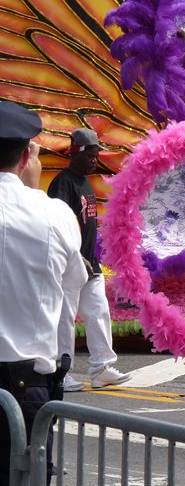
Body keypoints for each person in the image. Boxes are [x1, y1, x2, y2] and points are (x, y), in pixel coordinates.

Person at [0, 102, 87, 485]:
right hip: (25, 384)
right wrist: (32, 195)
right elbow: (71, 287)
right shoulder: (55, 214)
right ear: (26, 155)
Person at [48, 128, 130, 391]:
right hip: (70, 263)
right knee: (65, 318)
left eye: (97, 156)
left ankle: (101, 368)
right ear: (76, 154)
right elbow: (58, 225)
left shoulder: (85, 182)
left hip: (90, 265)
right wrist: (75, 255)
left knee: (98, 313)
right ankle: (62, 372)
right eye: (91, 156)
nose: (95, 161)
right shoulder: (62, 183)